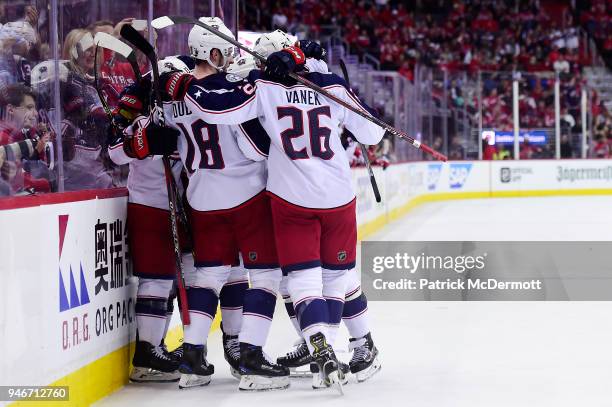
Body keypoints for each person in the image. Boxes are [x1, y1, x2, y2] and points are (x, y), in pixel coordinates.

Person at [158, 35, 385, 391]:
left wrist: (184, 86)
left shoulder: (264, 87)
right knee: (330, 278)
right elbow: (372, 133)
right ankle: (331, 345)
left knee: (300, 280)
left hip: (271, 197)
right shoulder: (329, 84)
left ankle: (335, 344)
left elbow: (220, 110)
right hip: (327, 195)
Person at [126, 18, 289, 391]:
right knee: (265, 276)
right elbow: (256, 147)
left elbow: (166, 141)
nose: (232, 55)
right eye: (227, 49)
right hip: (245, 196)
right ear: (215, 52)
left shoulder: (175, 100)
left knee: (209, 276)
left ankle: (193, 356)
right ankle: (250, 356)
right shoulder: (227, 91)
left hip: (201, 198)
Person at [0, 83, 51, 194]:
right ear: (10, 110)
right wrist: (47, 183)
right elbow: (20, 182)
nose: (36, 113)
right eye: (29, 108)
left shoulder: (26, 133)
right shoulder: (3, 138)